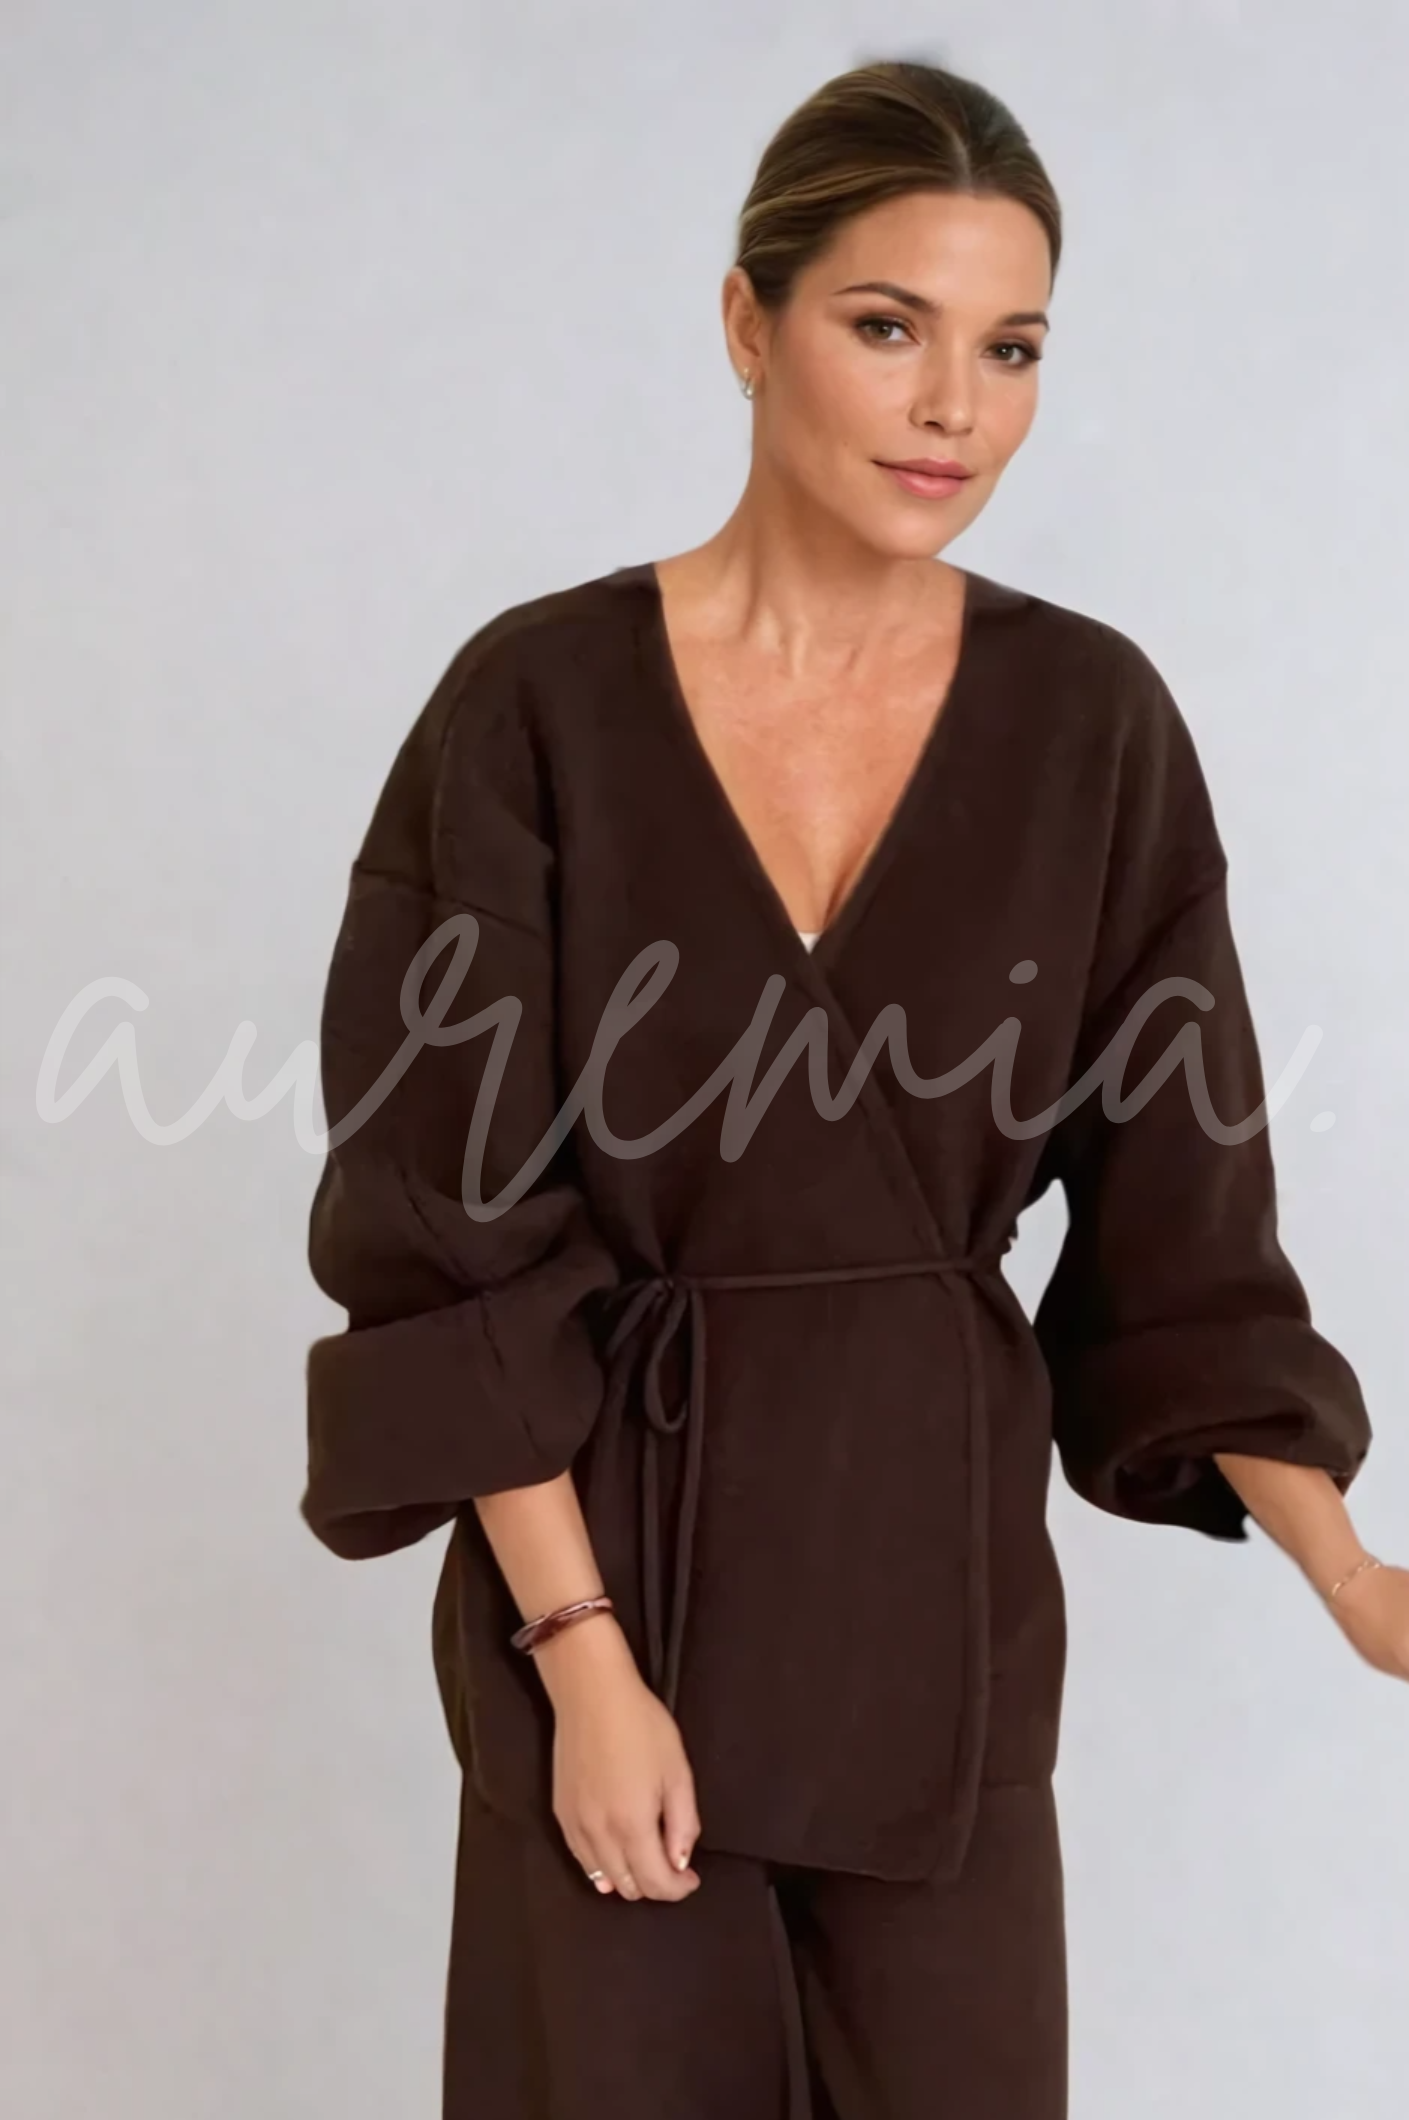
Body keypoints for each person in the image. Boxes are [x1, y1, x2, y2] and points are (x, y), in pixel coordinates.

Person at [298, 57, 1407, 2120]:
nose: (952, 407)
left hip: (933, 1620)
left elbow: (1182, 1228)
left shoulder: (1090, 724)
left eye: (1011, 349)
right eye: (888, 326)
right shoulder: (534, 707)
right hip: (612, 1586)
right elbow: (446, 1238)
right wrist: (580, 1660)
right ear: (749, 322)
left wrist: (1353, 1577)